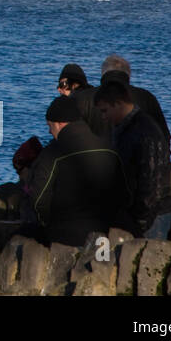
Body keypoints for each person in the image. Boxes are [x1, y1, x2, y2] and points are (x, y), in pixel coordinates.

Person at [27, 97, 131, 246]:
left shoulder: (52, 153)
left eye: (50, 126)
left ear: (60, 124)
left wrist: (46, 224)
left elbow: (39, 199)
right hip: (106, 233)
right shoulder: (109, 147)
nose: (50, 132)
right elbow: (125, 194)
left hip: (65, 236)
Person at [95, 81, 171, 238]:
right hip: (140, 213)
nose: (103, 117)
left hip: (151, 217)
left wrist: (140, 219)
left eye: (105, 111)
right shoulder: (129, 128)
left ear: (118, 104)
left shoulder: (143, 131)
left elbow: (152, 180)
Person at [100, 54, 170, 146]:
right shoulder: (147, 97)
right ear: (128, 75)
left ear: (103, 73)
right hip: (138, 157)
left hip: (97, 157)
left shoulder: (86, 97)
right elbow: (163, 135)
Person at [58, 63, 107, 137]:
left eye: (63, 84)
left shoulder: (72, 102)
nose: (59, 89)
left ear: (75, 84)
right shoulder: (99, 96)